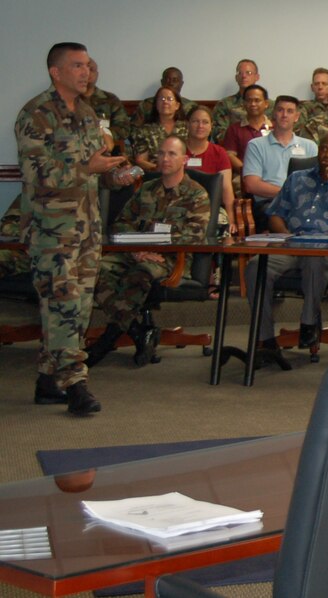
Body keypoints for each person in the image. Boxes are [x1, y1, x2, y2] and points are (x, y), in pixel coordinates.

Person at [15, 42, 134, 415]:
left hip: (87, 227)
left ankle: (48, 380)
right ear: (56, 71)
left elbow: (93, 172)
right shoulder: (34, 115)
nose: (86, 72)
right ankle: (75, 383)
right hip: (53, 231)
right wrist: (90, 170)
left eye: (88, 66)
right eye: (78, 66)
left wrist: (116, 176)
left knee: (77, 308)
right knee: (63, 304)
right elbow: (39, 174)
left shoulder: (86, 113)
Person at [85, 136, 211, 368]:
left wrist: (150, 248)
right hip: (135, 252)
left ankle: (108, 338)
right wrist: (138, 249)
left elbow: (194, 235)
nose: (165, 159)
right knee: (93, 268)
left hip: (171, 258)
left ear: (184, 159)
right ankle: (137, 330)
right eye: (161, 153)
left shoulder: (196, 194)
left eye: (172, 154)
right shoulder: (146, 190)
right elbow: (121, 223)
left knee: (141, 273)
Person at [244, 131, 328, 362]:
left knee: (314, 257)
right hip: (292, 244)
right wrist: (286, 235)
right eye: (324, 149)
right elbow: (276, 214)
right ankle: (266, 340)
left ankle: (309, 322)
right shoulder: (296, 178)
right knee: (255, 267)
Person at [242, 95, 318, 233]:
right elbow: (251, 185)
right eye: (280, 110)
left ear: (296, 117)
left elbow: (317, 180)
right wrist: (287, 194)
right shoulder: (256, 145)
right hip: (269, 202)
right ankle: (290, 247)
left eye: (290, 111)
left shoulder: (310, 146)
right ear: (273, 114)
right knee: (277, 214)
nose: (284, 115)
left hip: (304, 203)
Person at [184, 105, 236, 234]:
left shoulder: (219, 152)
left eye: (205, 122)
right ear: (187, 124)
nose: (200, 126)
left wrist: (231, 219)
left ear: (211, 126)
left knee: (221, 226)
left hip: (210, 207)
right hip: (179, 205)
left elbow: (226, 188)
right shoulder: (177, 149)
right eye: (195, 121)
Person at [130, 86, 187, 172]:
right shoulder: (144, 130)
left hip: (184, 173)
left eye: (169, 99)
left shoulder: (186, 128)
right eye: (162, 99)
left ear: (177, 105)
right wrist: (160, 169)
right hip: (155, 175)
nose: (165, 102)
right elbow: (140, 160)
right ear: (156, 104)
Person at [80, 58, 129, 153]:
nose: (87, 73)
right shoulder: (70, 99)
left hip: (108, 150)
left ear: (97, 75)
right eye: (83, 69)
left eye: (91, 69)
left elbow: (124, 128)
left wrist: (104, 133)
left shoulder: (110, 99)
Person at [222, 84, 272, 175]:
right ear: (244, 104)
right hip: (243, 176)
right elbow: (230, 155)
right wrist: (248, 172)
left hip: (273, 176)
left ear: (266, 104)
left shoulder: (275, 129)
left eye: (257, 100)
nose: (253, 104)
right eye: (249, 100)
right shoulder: (234, 129)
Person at [211, 59, 263, 142]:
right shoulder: (225, 104)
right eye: (240, 73)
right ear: (236, 78)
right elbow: (218, 134)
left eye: (248, 73)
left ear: (257, 77)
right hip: (233, 149)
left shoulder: (269, 105)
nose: (243, 76)